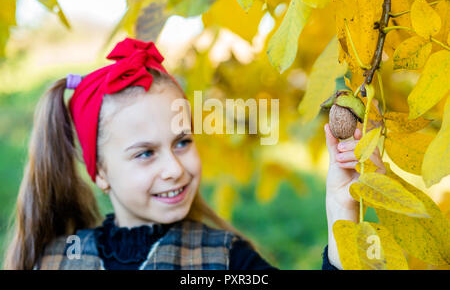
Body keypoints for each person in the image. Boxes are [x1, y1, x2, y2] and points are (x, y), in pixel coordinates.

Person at [3, 37, 384, 270]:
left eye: (182, 142)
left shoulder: (225, 259)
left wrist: (341, 216)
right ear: (100, 171)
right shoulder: (54, 262)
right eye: (145, 154)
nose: (175, 168)